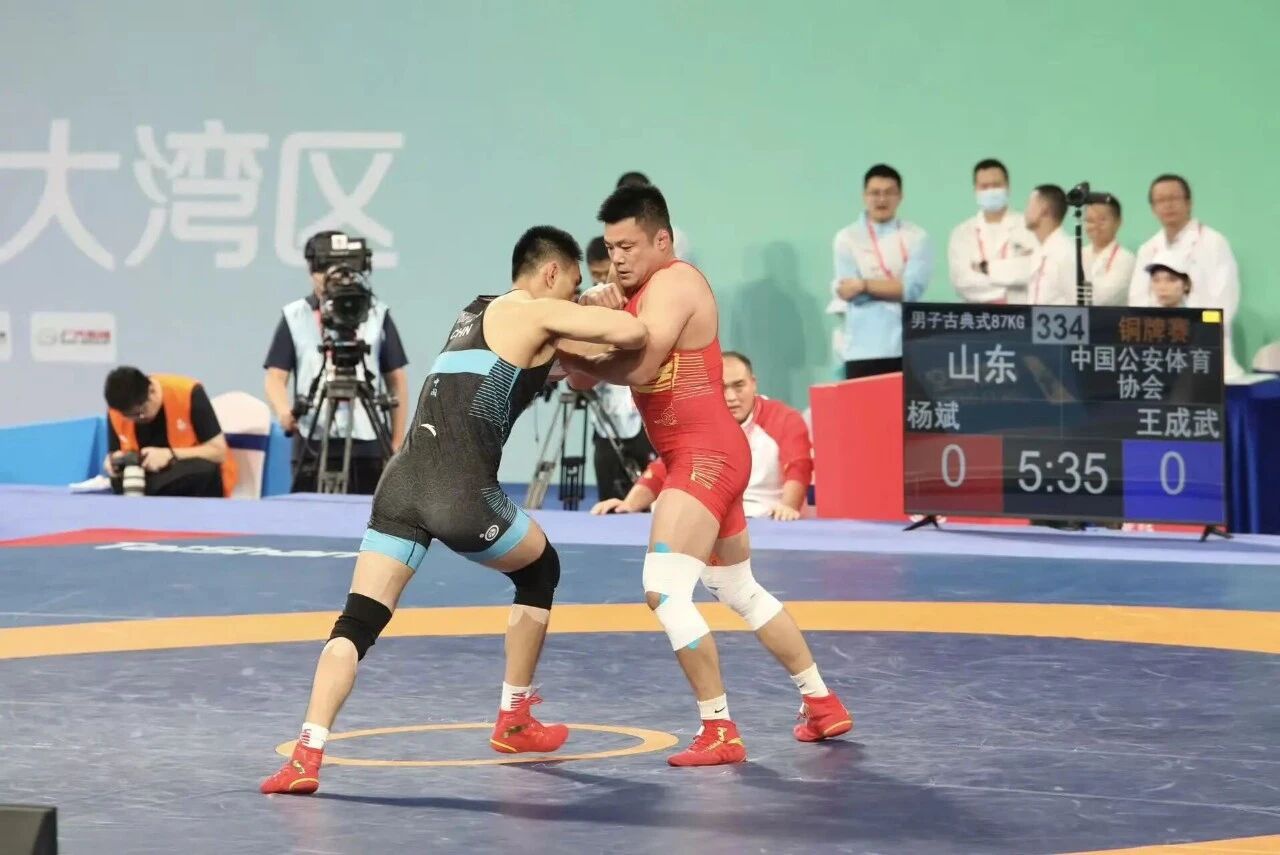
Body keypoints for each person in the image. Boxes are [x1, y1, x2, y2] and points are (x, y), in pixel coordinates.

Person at [261, 226, 649, 795]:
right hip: (461, 493)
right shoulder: (535, 311)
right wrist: (605, 300)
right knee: (540, 570)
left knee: (357, 622)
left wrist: (586, 314)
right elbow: (634, 333)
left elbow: (581, 368)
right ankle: (514, 718)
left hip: (402, 486)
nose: (572, 295)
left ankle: (305, 755)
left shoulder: (477, 311)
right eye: (571, 284)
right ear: (550, 274)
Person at [562, 184, 851, 768]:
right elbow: (584, 380)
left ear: (662, 240)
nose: (617, 259)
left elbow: (637, 365)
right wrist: (590, 323)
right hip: (701, 453)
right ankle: (822, 702)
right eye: (611, 249)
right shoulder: (635, 294)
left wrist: (573, 333)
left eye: (628, 247)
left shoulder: (674, 283)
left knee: (664, 590)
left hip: (705, 456)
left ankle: (719, 729)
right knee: (737, 589)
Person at [263, 230, 411, 494]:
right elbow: (275, 376)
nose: (336, 276)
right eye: (326, 268)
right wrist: (284, 412)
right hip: (313, 437)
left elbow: (396, 379)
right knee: (307, 512)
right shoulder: (295, 315)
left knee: (371, 511)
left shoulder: (377, 314)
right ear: (311, 270)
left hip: (368, 439)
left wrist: (397, 441)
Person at [592, 351, 813, 521]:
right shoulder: (698, 421)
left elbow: (798, 467)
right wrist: (628, 505)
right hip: (709, 520)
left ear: (753, 383)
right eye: (722, 387)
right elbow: (663, 468)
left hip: (765, 517)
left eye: (739, 386)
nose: (731, 397)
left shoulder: (785, 419)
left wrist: (788, 506)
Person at [1126, 174, 1243, 377]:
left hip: (1205, 349)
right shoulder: (1148, 249)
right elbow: (1137, 301)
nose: (1168, 205)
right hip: (1158, 350)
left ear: (1189, 202)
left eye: (1174, 198)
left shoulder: (1213, 243)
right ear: (1153, 208)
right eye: (1161, 200)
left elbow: (1225, 300)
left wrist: (1191, 329)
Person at [830, 164, 933, 379]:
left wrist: (864, 285)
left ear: (900, 196)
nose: (882, 199)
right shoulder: (846, 238)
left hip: (906, 344)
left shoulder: (916, 236)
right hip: (861, 347)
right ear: (864, 196)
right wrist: (891, 288)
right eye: (875, 193)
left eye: (889, 192)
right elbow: (850, 293)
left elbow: (911, 290)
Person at [584, 236, 656, 501]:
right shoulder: (588, 305)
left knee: (649, 503)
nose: (600, 283)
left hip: (643, 419)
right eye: (595, 275)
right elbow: (579, 378)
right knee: (608, 503)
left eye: (605, 274)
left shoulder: (644, 300)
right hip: (605, 422)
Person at [103, 366, 236, 498]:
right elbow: (115, 453)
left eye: (141, 413)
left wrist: (170, 455)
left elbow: (219, 452)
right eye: (129, 416)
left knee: (204, 469)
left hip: (187, 471)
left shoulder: (188, 393)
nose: (139, 419)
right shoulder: (117, 411)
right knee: (120, 480)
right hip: (145, 477)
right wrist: (113, 462)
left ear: (152, 391)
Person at [948, 158, 1036, 304]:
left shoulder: (1029, 228)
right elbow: (962, 282)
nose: (991, 191)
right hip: (977, 314)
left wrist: (983, 270)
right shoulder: (962, 233)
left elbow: (1032, 272)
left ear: (1008, 187)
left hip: (1021, 315)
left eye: (996, 185)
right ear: (975, 190)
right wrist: (1010, 286)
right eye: (984, 186)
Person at [1022, 184, 1076, 306]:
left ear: (1044, 210)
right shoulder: (1039, 250)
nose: (1026, 211)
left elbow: (1077, 303)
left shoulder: (1066, 253)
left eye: (1030, 205)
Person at [1082, 197, 1136, 306]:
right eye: (1090, 220)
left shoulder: (1126, 259)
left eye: (1102, 220)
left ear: (1118, 222)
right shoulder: (1078, 255)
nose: (1095, 225)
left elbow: (1103, 299)